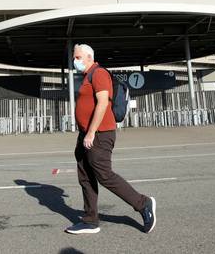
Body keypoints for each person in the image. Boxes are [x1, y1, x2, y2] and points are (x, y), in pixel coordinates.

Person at [64, 43, 156, 235]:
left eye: (78, 57)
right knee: (85, 176)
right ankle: (90, 220)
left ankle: (143, 203)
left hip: (100, 134)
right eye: (74, 57)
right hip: (86, 133)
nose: (75, 61)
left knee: (104, 174)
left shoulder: (99, 74)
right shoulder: (87, 76)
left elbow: (103, 103)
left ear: (89, 57)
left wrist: (90, 132)